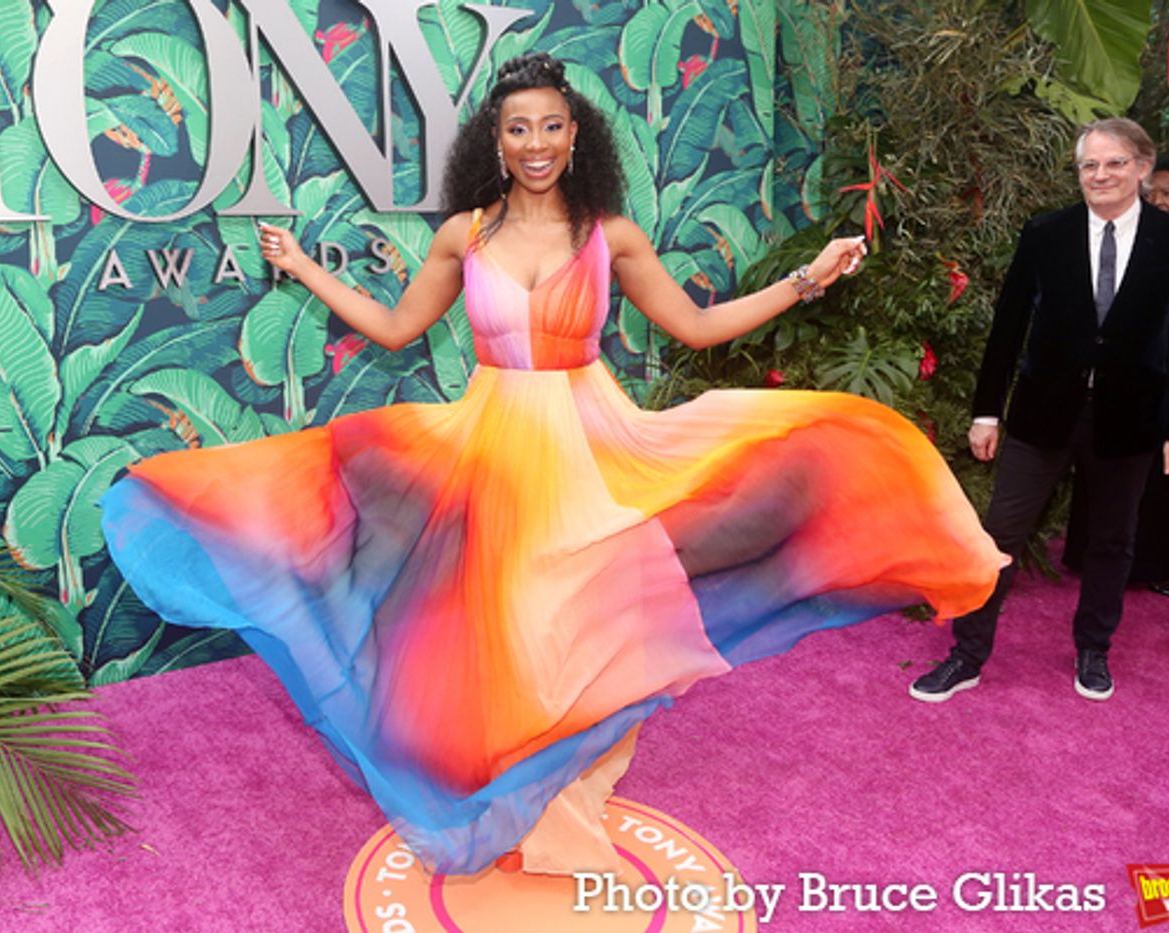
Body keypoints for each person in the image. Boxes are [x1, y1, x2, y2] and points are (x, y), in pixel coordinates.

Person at [101, 52, 1004, 876]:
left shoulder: (611, 235)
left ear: (578, 135)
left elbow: (694, 326)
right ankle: (519, 805)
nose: (535, 143)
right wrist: (304, 265)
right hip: (491, 447)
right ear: (495, 141)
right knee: (510, 634)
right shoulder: (463, 234)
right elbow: (393, 328)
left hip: (590, 442)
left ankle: (564, 807)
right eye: (517, 127)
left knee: (593, 632)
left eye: (552, 125)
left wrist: (806, 278)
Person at [909, 118, 1169, 705]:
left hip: (1131, 419)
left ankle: (1094, 648)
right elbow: (1009, 327)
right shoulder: (1045, 233)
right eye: (1089, 165)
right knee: (998, 536)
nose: (1100, 175)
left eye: (1114, 163)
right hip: (1042, 414)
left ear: (1143, 168)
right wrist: (986, 413)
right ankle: (966, 655)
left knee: (1112, 542)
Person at [1061, 155, 1169, 597]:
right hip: (1122, 368)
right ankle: (1084, 552)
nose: (1159, 200)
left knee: (1165, 469)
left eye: (1168, 193)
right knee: (1105, 455)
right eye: (1152, 192)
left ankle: (1153, 565)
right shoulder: (1121, 235)